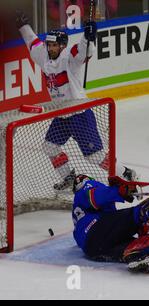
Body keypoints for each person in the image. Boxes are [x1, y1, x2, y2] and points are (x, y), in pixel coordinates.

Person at [15, 11, 134, 190]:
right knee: (49, 147)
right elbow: (32, 41)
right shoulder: (43, 55)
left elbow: (83, 52)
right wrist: (23, 26)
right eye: (49, 45)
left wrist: (88, 37)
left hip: (79, 114)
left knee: (94, 157)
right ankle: (69, 178)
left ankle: (125, 172)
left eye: (54, 45)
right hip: (61, 115)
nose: (50, 48)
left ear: (62, 46)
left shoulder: (69, 58)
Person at [72, 173, 149, 273]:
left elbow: (79, 239)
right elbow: (97, 195)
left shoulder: (77, 218)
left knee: (131, 247)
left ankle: (142, 256)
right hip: (98, 228)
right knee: (135, 215)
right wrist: (119, 191)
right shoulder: (85, 186)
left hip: (92, 250)